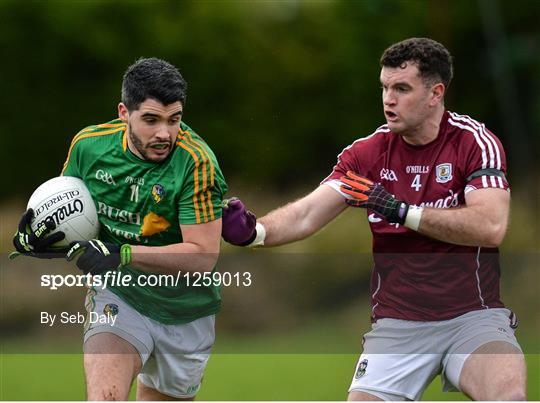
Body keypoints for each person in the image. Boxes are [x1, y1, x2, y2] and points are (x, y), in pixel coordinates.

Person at [221, 38, 526, 401]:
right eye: (384, 87)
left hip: (473, 318)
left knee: (508, 395)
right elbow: (305, 215)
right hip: (399, 325)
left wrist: (401, 211)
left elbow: (490, 227)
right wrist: (255, 232)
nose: (388, 99)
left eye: (401, 88)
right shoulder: (367, 155)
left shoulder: (473, 142)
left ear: (435, 93)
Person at [12, 58, 228, 400]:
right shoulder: (88, 147)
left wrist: (122, 254)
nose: (164, 133)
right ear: (124, 113)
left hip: (186, 312)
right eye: (151, 120)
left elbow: (203, 255)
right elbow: (73, 218)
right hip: (119, 296)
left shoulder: (197, 163)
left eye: (174, 120)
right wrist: (40, 238)